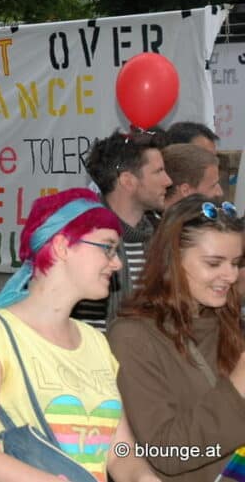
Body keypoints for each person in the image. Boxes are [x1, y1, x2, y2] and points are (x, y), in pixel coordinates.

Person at [0, 188, 161, 482]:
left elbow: (119, 452)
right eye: (108, 248)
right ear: (63, 246)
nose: (117, 263)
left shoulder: (96, 342)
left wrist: (143, 477)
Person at [108, 196, 245, 482]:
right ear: (172, 260)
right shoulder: (133, 337)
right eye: (214, 263)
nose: (230, 275)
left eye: (236, 262)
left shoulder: (228, 322)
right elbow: (168, 454)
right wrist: (237, 388)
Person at [76, 130, 171, 330]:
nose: (168, 181)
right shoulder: (87, 241)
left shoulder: (161, 237)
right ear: (128, 180)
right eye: (158, 172)